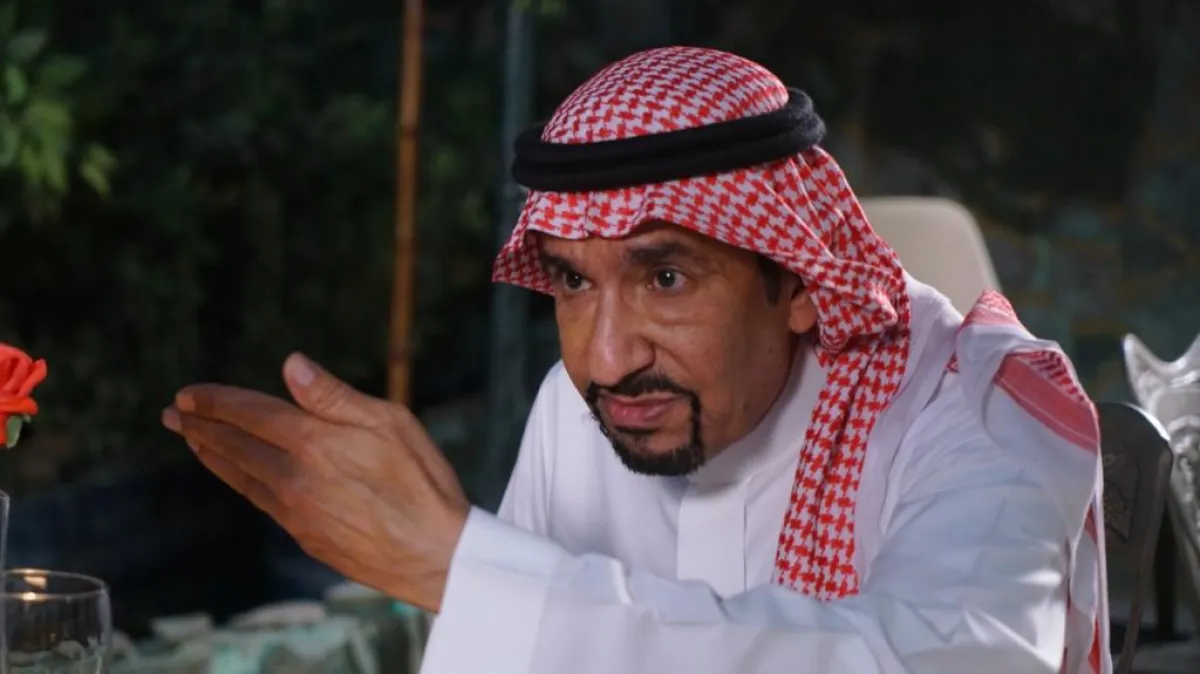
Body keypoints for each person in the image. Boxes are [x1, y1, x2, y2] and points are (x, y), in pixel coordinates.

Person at [161, 46, 1110, 674]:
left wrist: (461, 568)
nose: (608, 359)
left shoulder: (976, 411)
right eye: (573, 282)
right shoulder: (583, 404)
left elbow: (958, 660)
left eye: (666, 278)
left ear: (800, 282)